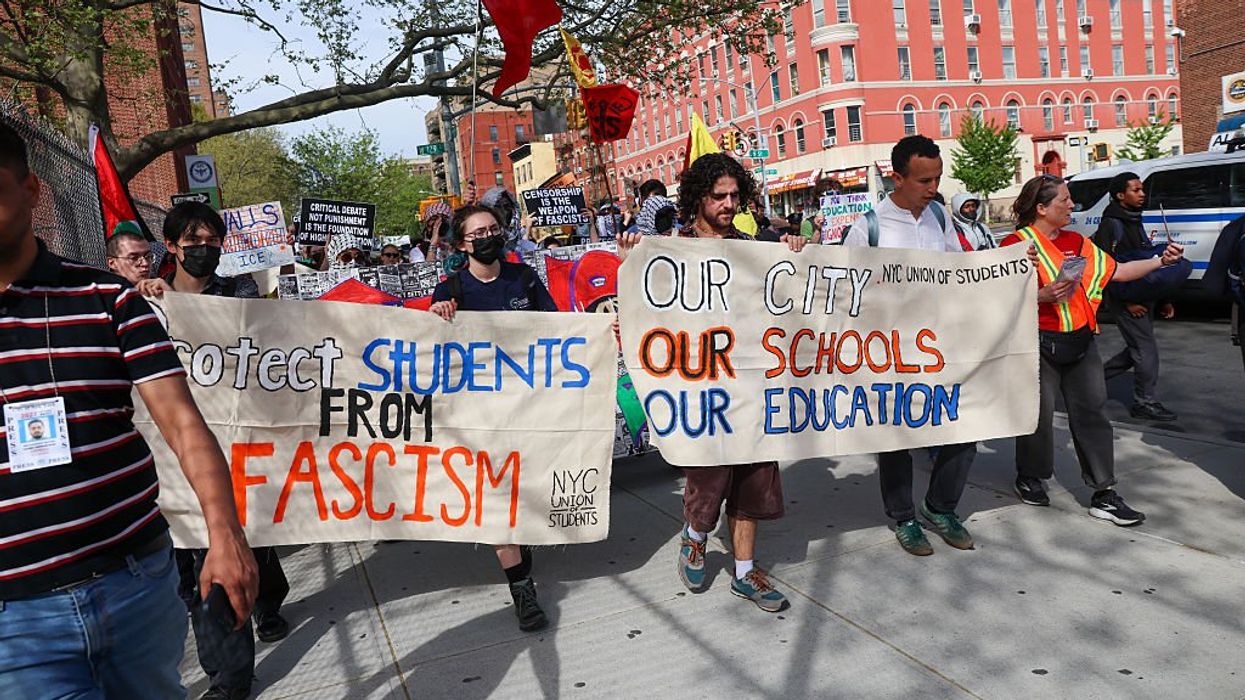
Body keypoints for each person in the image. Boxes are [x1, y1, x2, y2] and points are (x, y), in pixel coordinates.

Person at [0, 122, 257, 697]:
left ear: (31, 190)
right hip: (16, 622)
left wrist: (225, 533)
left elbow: (184, 424)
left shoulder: (109, 302)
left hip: (135, 584)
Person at [618, 153, 806, 613]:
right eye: (718, 196)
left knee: (755, 479)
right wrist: (630, 262)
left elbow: (788, 298)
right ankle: (697, 535)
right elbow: (644, 312)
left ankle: (745, 573)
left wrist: (798, 253)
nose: (728, 204)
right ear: (698, 198)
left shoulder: (753, 248)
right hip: (699, 387)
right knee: (709, 477)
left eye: (734, 196)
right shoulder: (669, 249)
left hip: (752, 387)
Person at [137, 202, 290, 700]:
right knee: (199, 560)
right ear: (171, 246)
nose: (204, 251)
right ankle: (229, 676)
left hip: (245, 441)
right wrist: (143, 298)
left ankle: (266, 598)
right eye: (193, 243)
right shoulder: (151, 303)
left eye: (211, 242)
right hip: (181, 455)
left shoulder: (238, 292)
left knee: (254, 539)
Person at [1001, 175, 1184, 526]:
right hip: (1038, 344)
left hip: (1082, 341)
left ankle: (1104, 492)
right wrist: (1038, 296)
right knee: (1036, 419)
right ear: (1041, 208)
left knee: (1093, 416)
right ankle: (1030, 476)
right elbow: (994, 298)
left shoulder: (1076, 241)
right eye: (1065, 201)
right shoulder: (1015, 244)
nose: (1072, 206)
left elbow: (1120, 271)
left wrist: (1161, 261)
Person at [841, 135, 979, 556]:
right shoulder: (868, 229)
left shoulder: (941, 217)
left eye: (937, 178)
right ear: (897, 178)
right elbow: (848, 292)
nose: (933, 188)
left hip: (939, 345)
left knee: (966, 427)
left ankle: (940, 506)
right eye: (923, 181)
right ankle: (903, 517)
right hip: (889, 353)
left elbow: (962, 270)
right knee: (895, 437)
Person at [427, 204, 559, 631]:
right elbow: (429, 347)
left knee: (524, 498)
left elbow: (559, 328)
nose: (488, 236)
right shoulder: (450, 290)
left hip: (527, 407)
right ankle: (522, 592)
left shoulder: (524, 278)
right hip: (480, 418)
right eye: (478, 232)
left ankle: (522, 555)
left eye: (493, 229)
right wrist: (437, 318)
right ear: (462, 244)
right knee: (498, 503)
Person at [1093, 172, 1177, 422]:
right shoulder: (1112, 224)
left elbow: (1144, 260)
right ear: (1120, 196)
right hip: (1127, 298)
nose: (1142, 194)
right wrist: (1128, 301)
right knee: (1145, 349)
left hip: (1143, 293)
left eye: (1142, 190)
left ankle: (1089, 378)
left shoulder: (1132, 219)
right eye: (1136, 190)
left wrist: (1163, 299)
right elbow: (1107, 267)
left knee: (1137, 349)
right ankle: (1145, 402)